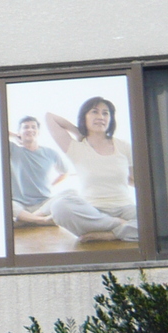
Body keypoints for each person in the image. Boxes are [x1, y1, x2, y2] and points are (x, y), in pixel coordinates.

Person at [45, 96, 138, 242]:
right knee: (59, 207)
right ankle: (121, 227)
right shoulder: (76, 148)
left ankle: (111, 234)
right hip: (92, 211)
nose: (101, 117)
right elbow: (49, 117)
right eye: (95, 112)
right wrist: (78, 132)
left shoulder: (124, 146)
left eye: (105, 113)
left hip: (125, 208)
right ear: (84, 117)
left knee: (158, 216)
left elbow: (136, 180)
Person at [9, 115, 66, 225]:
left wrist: (51, 185)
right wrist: (15, 135)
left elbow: (64, 173)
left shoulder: (51, 153)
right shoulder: (12, 149)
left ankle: (26, 220)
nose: (30, 130)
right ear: (19, 132)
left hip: (43, 204)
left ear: (38, 132)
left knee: (70, 194)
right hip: (20, 204)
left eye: (33, 127)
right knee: (5, 203)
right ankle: (40, 220)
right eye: (26, 127)